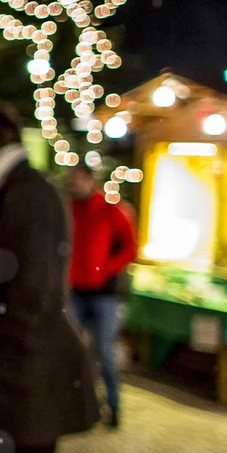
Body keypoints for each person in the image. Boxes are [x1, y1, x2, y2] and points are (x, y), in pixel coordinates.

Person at [0, 99, 98, 453]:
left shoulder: (27, 194)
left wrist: (6, 345)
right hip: (18, 370)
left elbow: (32, 289)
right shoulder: (9, 191)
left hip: (26, 374)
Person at [65, 166, 138, 429]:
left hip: (105, 294)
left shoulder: (110, 210)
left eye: (77, 180)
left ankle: (114, 406)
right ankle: (80, 404)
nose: (73, 185)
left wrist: (107, 269)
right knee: (73, 350)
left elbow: (130, 247)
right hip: (77, 291)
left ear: (90, 180)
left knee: (105, 351)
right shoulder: (69, 211)